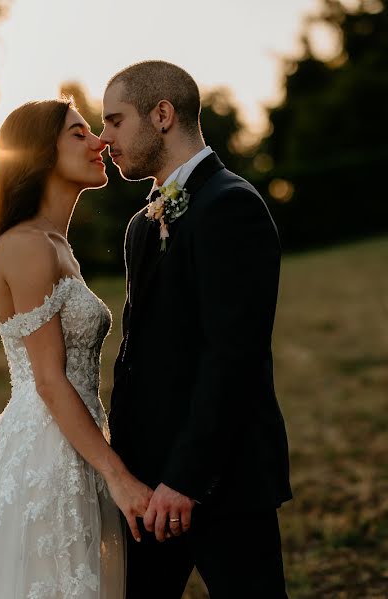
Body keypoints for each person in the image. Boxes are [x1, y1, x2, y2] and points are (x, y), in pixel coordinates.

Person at [0, 99, 151, 598]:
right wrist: (118, 475)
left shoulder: (56, 244)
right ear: (38, 154)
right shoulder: (28, 245)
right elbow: (49, 380)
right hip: (48, 446)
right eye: (79, 134)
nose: (99, 142)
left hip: (77, 439)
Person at [101, 60, 292, 598]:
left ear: (162, 114)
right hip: (146, 491)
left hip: (221, 482)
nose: (104, 137)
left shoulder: (231, 206)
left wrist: (186, 479)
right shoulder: (143, 223)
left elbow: (231, 360)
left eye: (115, 121)